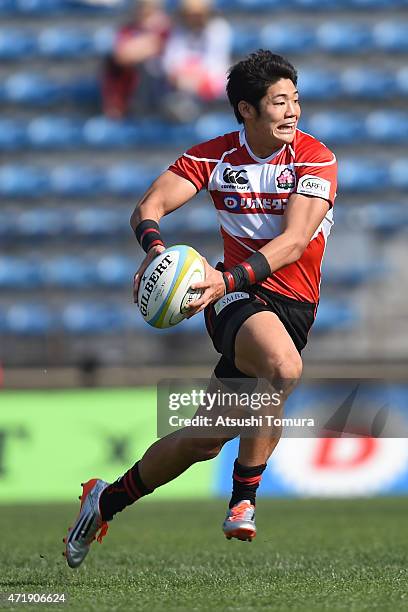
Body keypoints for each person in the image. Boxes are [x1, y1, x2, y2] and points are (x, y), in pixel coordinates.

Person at [63, 50, 337, 568]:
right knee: (282, 368)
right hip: (235, 300)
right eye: (279, 102)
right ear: (246, 110)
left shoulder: (315, 159)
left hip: (281, 302)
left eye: (295, 100)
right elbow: (148, 207)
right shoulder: (214, 158)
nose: (292, 111)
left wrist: (223, 278)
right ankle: (244, 500)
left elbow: (295, 243)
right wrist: (156, 252)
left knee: (202, 439)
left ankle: (105, 499)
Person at [161, 0, 231, 121]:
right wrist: (182, 76)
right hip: (182, 82)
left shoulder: (218, 28)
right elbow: (170, 61)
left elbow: (215, 63)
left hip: (209, 82)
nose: (194, 17)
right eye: (190, 14)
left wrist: (194, 77)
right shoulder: (178, 30)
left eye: (198, 14)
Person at [102, 0, 171, 119]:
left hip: (162, 93)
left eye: (149, 7)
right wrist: (148, 40)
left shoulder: (167, 30)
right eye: (142, 6)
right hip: (132, 95)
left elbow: (157, 45)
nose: (144, 10)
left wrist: (146, 42)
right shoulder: (127, 30)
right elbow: (122, 56)